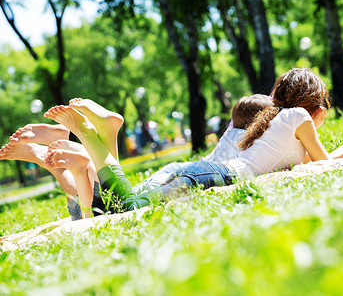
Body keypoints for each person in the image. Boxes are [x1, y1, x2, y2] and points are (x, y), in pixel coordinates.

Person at [43, 68, 343, 213]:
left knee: (118, 208)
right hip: (212, 177)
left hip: (203, 172)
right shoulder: (299, 117)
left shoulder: (273, 118)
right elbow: (322, 163)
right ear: (314, 106)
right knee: (131, 207)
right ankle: (89, 136)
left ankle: (98, 144)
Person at [0, 94, 272, 219]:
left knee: (113, 196)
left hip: (179, 169)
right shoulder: (263, 137)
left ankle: (96, 136)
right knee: (108, 206)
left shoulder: (230, 133)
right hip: (194, 173)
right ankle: (80, 144)